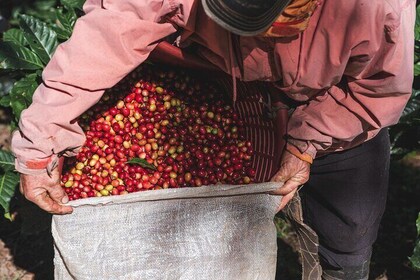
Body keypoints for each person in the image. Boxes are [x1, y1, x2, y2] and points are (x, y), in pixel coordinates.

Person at [11, 0, 415, 279]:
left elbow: (374, 91)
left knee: (350, 228)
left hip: (334, 105)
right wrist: (38, 142)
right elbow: (103, 39)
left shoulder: (375, 10)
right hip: (226, 84)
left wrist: (304, 145)